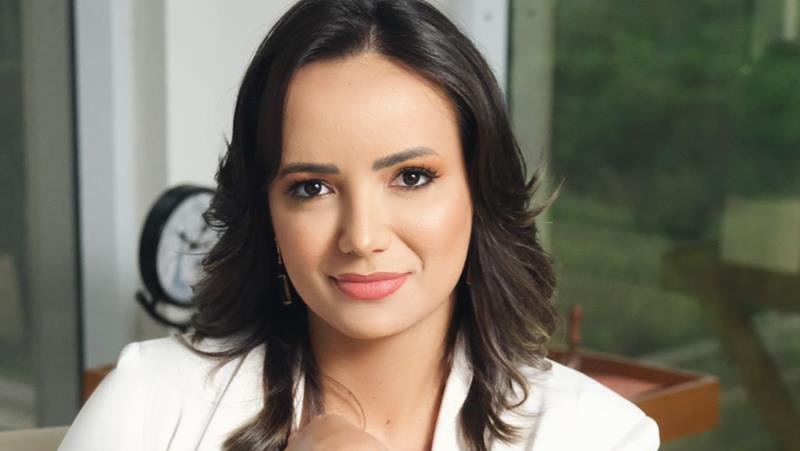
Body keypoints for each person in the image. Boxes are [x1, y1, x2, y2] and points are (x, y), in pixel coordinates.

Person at [59, 0, 660, 450]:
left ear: (480, 190)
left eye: (412, 177)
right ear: (266, 214)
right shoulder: (150, 403)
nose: (363, 237)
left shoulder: (597, 435)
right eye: (311, 188)